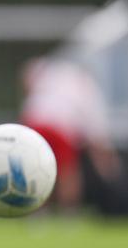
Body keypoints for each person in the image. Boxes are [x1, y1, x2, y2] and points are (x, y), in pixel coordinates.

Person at [20, 56, 121, 212]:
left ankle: (38, 213)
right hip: (62, 127)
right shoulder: (88, 87)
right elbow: (97, 135)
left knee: (35, 169)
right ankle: (69, 212)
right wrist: (108, 166)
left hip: (35, 121)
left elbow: (28, 77)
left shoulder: (50, 71)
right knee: (68, 172)